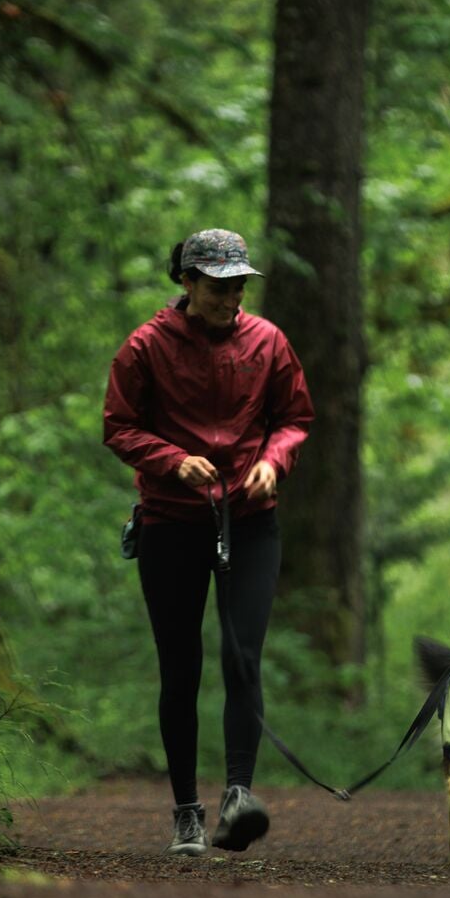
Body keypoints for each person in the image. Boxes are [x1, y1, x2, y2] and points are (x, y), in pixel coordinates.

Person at [102, 228, 315, 856]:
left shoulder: (269, 341)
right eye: (219, 286)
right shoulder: (145, 347)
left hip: (250, 519)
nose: (231, 298)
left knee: (243, 655)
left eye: (239, 285)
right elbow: (118, 427)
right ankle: (186, 811)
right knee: (180, 666)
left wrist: (275, 461)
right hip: (171, 522)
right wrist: (171, 460)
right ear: (187, 282)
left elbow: (295, 419)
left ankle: (237, 797)